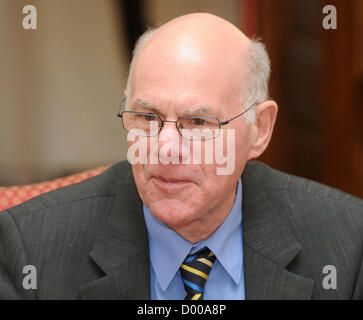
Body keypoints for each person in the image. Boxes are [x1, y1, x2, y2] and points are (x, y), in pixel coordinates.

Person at [0, 13, 362, 300]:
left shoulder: (347, 243)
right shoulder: (30, 249)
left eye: (199, 122)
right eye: (147, 117)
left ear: (260, 129)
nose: (166, 149)